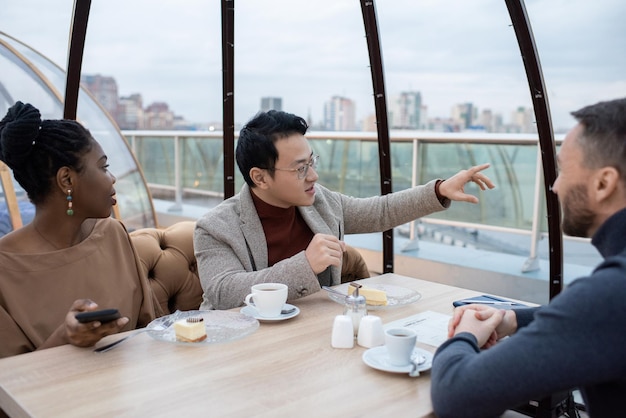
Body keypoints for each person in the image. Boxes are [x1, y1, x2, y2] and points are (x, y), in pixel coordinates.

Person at [430, 98, 626, 418]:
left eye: (562, 170)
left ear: (604, 183)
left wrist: (465, 335)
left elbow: (455, 395)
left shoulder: (612, 294)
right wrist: (512, 320)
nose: (553, 186)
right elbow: (586, 321)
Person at [194, 110, 495, 310]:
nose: (313, 175)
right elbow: (224, 293)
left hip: (314, 337)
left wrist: (438, 190)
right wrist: (305, 264)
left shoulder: (320, 203)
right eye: (300, 168)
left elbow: (379, 212)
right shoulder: (215, 227)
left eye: (312, 161)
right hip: (242, 351)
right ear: (260, 177)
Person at [0, 101, 160, 359]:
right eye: (103, 167)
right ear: (67, 180)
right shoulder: (4, 268)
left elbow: (149, 331)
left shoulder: (114, 234)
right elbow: (9, 383)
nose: (112, 178)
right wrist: (65, 337)